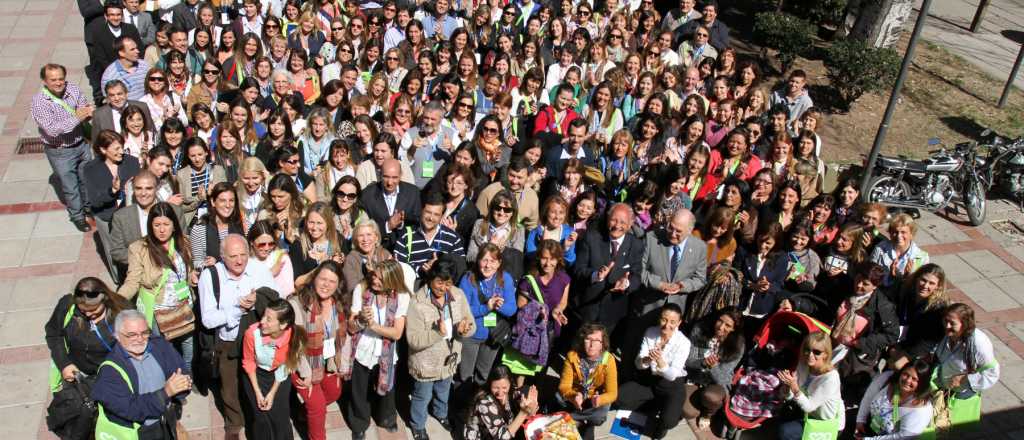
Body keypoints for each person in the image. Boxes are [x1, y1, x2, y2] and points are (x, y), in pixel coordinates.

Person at [197, 234, 276, 439]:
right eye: (233, 256)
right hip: (227, 340)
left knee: (255, 381)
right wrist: (238, 309)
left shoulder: (257, 269)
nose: (240, 261)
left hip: (257, 338)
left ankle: (255, 418)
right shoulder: (210, 276)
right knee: (229, 386)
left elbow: (276, 298)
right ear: (223, 256)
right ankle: (233, 424)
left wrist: (258, 300)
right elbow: (208, 319)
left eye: (243, 255)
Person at [90, 310, 191, 440]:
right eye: (132, 335)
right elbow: (131, 409)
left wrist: (184, 384)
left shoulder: (159, 346)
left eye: (144, 333)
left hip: (166, 422)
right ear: (117, 335)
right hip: (139, 433)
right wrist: (166, 393)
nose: (140, 339)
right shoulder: (109, 372)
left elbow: (182, 373)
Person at [405, 257, 476, 440]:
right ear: (431, 278)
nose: (443, 288)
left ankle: (440, 413)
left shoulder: (458, 295)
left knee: (444, 391)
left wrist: (464, 328)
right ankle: (418, 424)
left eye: (448, 283)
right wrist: (436, 332)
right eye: (439, 282)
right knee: (422, 396)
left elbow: (471, 324)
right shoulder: (417, 303)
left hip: (449, 359)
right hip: (426, 363)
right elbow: (413, 340)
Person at [346, 259, 412, 440]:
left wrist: (373, 325)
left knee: (387, 388)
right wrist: (360, 319)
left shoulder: (402, 296)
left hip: (387, 353)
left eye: (381, 279)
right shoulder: (361, 290)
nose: (375, 281)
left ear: (393, 280)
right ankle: (359, 423)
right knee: (359, 390)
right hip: (363, 350)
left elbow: (397, 333)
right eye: (375, 275)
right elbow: (351, 328)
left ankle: (386, 419)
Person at [288, 261, 349, 440]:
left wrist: (340, 361)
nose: (326, 285)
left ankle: (302, 411)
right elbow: (295, 343)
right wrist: (305, 372)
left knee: (334, 392)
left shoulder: (338, 303)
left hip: (327, 359)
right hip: (303, 362)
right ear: (314, 279)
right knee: (318, 408)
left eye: (332, 281)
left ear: (338, 285)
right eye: (322, 279)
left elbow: (342, 336)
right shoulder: (297, 303)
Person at [31, 63, 96, 232]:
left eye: (61, 78)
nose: (59, 83)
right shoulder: (40, 102)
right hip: (60, 150)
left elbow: (84, 106)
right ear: (45, 81)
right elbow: (53, 130)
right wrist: (77, 117)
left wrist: (86, 112)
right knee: (70, 186)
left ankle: (89, 207)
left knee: (87, 178)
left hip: (81, 143)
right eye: (53, 80)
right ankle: (77, 216)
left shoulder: (72, 89)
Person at [46, 277, 129, 407]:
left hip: (112, 377)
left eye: (94, 310)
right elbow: (54, 335)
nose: (89, 315)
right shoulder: (67, 306)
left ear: (105, 300)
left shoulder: (122, 311)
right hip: (78, 376)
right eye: (84, 311)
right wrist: (65, 364)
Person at [616, 304, 691, 439]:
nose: (667, 325)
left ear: (679, 323)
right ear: (659, 319)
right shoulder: (651, 332)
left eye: (672, 322)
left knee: (669, 421)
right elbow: (638, 364)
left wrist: (660, 360)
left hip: (671, 385)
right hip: (650, 381)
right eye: (664, 319)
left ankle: (662, 420)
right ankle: (652, 406)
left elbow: (672, 375)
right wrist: (646, 359)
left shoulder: (684, 342)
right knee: (620, 397)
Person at [634, 208, 707, 337]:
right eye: (670, 227)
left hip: (673, 312)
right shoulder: (652, 238)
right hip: (647, 306)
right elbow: (638, 270)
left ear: (690, 231)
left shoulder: (699, 248)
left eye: (678, 231)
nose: (673, 234)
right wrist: (660, 284)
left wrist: (682, 285)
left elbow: (700, 279)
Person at [573, 203, 643, 333]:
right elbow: (578, 270)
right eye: (614, 220)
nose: (617, 225)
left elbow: (637, 276)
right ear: (607, 219)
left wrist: (626, 283)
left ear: (630, 224)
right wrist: (595, 275)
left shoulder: (636, 245)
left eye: (623, 222)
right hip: (587, 307)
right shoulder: (591, 237)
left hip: (612, 312)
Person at [457, 243, 518, 390]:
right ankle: (460, 406)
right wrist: (486, 308)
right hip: (471, 334)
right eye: (484, 260)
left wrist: (499, 305)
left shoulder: (505, 278)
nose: (487, 265)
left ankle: (478, 403)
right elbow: (461, 309)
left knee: (483, 375)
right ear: (478, 261)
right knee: (465, 374)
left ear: (499, 263)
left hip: (493, 335)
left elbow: (512, 309)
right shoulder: (468, 279)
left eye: (492, 261)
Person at [932, 303, 1000, 432]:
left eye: (952, 323)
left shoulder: (979, 344)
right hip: (941, 390)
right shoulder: (947, 334)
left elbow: (992, 373)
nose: (947, 326)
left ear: (965, 324)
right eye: (946, 321)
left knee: (955, 430)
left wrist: (965, 378)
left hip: (960, 396)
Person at [241, 299, 304, 440]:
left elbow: (285, 366)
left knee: (280, 417)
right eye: (263, 316)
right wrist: (258, 393)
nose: (262, 321)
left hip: (279, 375)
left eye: (269, 319)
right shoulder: (251, 334)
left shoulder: (292, 337)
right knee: (260, 418)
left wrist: (271, 393)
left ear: (283, 325)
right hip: (255, 374)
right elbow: (249, 362)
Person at [84, 130, 141, 281]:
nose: (121, 151)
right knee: (113, 251)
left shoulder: (132, 162)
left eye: (121, 147)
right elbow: (94, 201)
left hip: (129, 215)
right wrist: (112, 191)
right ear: (103, 150)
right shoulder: (90, 169)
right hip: (107, 216)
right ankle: (120, 280)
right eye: (116, 149)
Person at [682, 307, 745, 430]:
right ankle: (699, 403)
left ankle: (708, 413)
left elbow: (724, 378)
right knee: (688, 412)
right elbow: (687, 359)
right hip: (694, 377)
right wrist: (703, 363)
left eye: (728, 325)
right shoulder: (700, 330)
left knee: (711, 397)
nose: (721, 327)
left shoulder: (738, 345)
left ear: (734, 329)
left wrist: (713, 367)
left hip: (716, 384)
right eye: (720, 321)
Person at [775, 332, 845, 440]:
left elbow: (809, 406)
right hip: (808, 413)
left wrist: (794, 388)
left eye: (816, 352)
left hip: (826, 422)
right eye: (807, 350)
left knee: (785, 432)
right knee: (782, 415)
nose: (810, 355)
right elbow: (790, 396)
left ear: (825, 354)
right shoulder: (804, 364)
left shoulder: (831, 378)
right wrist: (787, 387)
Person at [558, 322, 618, 440]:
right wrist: (574, 395)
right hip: (576, 397)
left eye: (596, 341)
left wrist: (599, 399)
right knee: (558, 398)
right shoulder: (572, 356)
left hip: (593, 399)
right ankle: (581, 419)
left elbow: (613, 393)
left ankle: (579, 420)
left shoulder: (609, 360)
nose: (591, 345)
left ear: (602, 344)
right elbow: (564, 386)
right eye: (588, 339)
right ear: (582, 340)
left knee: (599, 415)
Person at [888, 264, 950, 370]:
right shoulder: (905, 291)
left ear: (938, 286)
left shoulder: (938, 310)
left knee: (897, 368)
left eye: (931, 283)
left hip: (916, 352)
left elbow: (927, 342)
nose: (925, 286)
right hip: (895, 339)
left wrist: (904, 357)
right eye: (923, 280)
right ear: (917, 278)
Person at [854, 360, 935, 439]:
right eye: (905, 374)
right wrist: (860, 420)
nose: (908, 380)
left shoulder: (921, 410)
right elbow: (868, 397)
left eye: (914, 379)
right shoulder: (886, 378)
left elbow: (902, 437)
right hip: (868, 426)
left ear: (922, 383)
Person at [394, 191, 468, 278]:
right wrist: (421, 270)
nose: (431, 218)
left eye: (436, 214)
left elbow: (461, 268)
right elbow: (397, 267)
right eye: (428, 212)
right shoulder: (406, 236)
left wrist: (439, 268)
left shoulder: (453, 238)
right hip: (414, 288)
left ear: (441, 216)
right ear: (421, 211)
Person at [464, 365, 540, 440]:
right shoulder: (484, 403)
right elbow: (502, 437)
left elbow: (528, 414)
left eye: (504, 388)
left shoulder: (512, 392)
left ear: (510, 384)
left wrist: (531, 406)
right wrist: (524, 412)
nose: (500, 393)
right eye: (495, 388)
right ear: (489, 384)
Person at [85, 3, 141, 103]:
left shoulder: (130, 29)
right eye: (112, 15)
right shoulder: (98, 32)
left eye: (118, 15)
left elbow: (139, 49)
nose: (115, 18)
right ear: (106, 16)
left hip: (131, 70)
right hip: (110, 72)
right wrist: (116, 72)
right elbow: (100, 57)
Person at [359, 158, 422, 247]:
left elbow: (419, 222)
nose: (390, 182)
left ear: (401, 175)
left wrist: (402, 222)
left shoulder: (413, 192)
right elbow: (363, 229)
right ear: (380, 174)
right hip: (378, 249)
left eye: (394, 177)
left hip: (406, 249)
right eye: (386, 176)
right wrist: (387, 226)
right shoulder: (367, 195)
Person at [476, 156, 541, 230]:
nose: (514, 181)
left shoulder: (531, 196)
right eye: (512, 175)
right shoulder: (490, 191)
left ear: (528, 177)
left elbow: (531, 226)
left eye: (519, 178)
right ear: (507, 172)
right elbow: (478, 219)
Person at [869, 213, 930, 291]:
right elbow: (870, 275)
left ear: (911, 234)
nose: (898, 236)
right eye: (895, 232)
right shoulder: (880, 248)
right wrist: (889, 277)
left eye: (903, 232)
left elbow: (921, 287)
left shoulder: (922, 257)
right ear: (890, 233)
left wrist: (907, 277)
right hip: (881, 292)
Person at [247, 220, 295, 298]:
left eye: (271, 244)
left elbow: (288, 292)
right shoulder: (245, 262)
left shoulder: (281, 259)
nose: (266, 248)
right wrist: (270, 274)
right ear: (252, 242)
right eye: (262, 244)